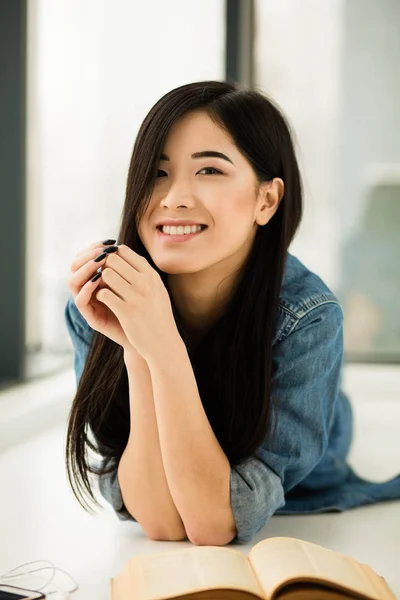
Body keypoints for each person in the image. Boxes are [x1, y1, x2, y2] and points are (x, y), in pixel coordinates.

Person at [64, 80, 400, 545]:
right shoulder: (101, 299)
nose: (173, 197)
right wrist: (138, 349)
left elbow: (212, 525)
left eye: (209, 172)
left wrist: (162, 346)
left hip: (304, 462)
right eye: (157, 173)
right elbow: (160, 523)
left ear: (267, 200)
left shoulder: (309, 315)